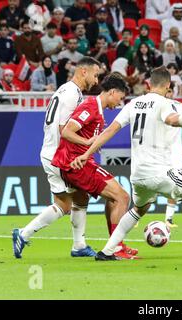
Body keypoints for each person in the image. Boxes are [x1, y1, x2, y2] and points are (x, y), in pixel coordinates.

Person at [71, 66, 182, 261]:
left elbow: (110, 130)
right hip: (159, 173)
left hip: (137, 175)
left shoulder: (133, 104)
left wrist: (87, 153)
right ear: (168, 86)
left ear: (148, 84)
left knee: (140, 208)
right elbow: (174, 120)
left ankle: (107, 250)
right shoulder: (164, 103)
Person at [12, 57, 101, 259]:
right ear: (83, 71)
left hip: (50, 152)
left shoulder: (64, 90)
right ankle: (24, 234)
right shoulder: (72, 94)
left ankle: (79, 245)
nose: (96, 81)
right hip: (59, 156)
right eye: (95, 75)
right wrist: (88, 143)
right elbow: (65, 130)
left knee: (78, 197)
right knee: (66, 204)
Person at [50, 73, 139, 260]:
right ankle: (115, 247)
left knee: (109, 198)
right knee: (122, 196)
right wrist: (87, 142)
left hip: (78, 161)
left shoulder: (97, 109)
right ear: (112, 92)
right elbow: (66, 131)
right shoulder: (91, 106)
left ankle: (114, 244)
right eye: (120, 98)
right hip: (75, 162)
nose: (120, 103)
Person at [164, 82, 182, 228]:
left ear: (172, 92)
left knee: (175, 181)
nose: (168, 94)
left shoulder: (181, 107)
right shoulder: (157, 106)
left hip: (177, 149)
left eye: (170, 91)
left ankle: (169, 218)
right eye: (166, 91)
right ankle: (135, 216)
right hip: (159, 149)